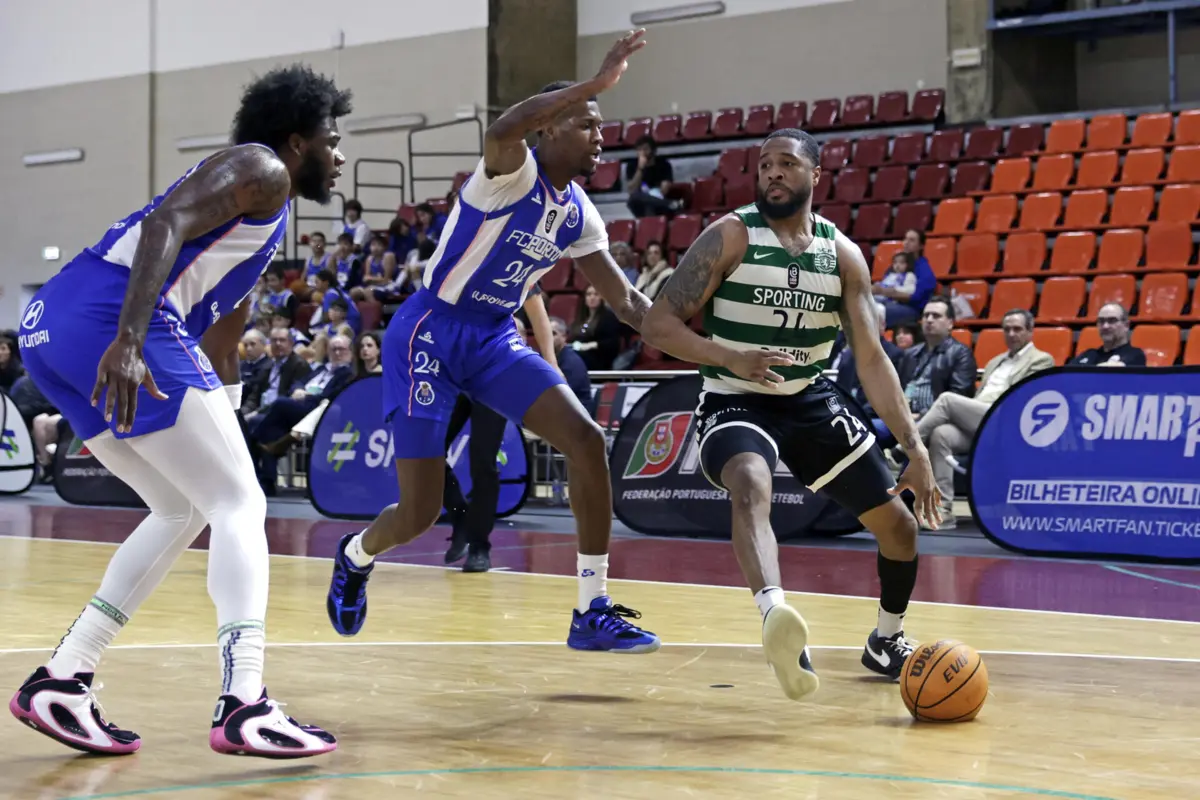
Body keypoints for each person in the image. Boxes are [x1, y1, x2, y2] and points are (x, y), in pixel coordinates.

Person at [10, 64, 351, 758]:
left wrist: (225, 426)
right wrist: (131, 341)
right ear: (295, 141)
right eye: (331, 139)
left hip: (53, 327)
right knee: (239, 505)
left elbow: (222, 339)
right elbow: (165, 222)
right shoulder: (262, 167)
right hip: (109, 316)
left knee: (182, 507)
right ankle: (244, 703)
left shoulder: (256, 223)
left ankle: (64, 678)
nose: (339, 156)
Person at [325, 29, 661, 654]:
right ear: (552, 128)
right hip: (429, 329)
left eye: (601, 124)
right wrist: (592, 84)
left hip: (492, 337)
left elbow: (628, 304)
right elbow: (503, 127)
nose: (599, 135)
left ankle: (592, 609)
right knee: (420, 512)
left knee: (586, 440)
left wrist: (718, 350)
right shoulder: (510, 171)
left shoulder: (580, 212)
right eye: (587, 124)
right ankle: (355, 554)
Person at [639, 128, 941, 702]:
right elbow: (658, 325)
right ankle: (775, 615)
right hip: (734, 394)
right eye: (764, 164)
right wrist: (730, 356)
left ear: (814, 176)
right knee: (751, 482)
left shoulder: (843, 254)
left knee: (899, 528)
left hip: (808, 397)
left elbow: (872, 358)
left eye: (786, 163)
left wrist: (915, 446)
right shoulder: (729, 235)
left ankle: (886, 638)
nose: (772, 173)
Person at [442, 288, 559, 573]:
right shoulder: (461, 264)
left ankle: (479, 545)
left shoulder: (516, 262)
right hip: (458, 372)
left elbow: (538, 311)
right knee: (426, 449)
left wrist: (552, 363)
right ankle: (460, 518)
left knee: (482, 461)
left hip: (496, 375)